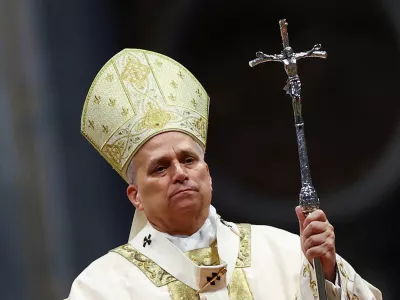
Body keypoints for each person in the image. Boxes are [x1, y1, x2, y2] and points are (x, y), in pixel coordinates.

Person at [67, 48, 382, 300]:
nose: (179, 173)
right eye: (160, 168)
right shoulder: (102, 287)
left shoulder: (285, 254)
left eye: (188, 160)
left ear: (208, 174)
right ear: (136, 197)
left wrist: (326, 276)